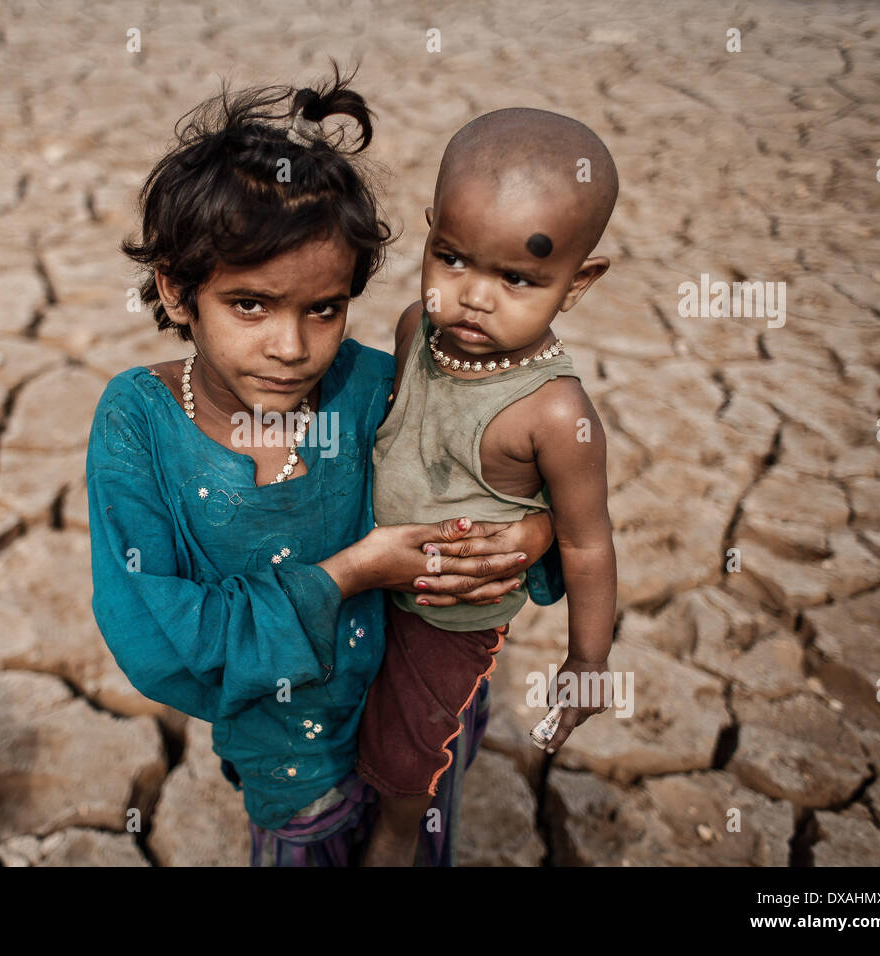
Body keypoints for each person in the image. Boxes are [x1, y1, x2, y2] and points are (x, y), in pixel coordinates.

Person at [87, 65, 564, 867]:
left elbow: (517, 482)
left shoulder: (374, 386)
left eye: (324, 308)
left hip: (414, 724)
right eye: (249, 305)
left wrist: (534, 536)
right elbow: (163, 638)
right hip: (290, 758)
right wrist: (349, 574)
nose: (291, 346)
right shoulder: (140, 423)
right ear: (176, 292)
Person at [355, 108, 621, 866]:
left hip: (451, 615)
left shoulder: (554, 409)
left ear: (577, 283)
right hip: (374, 581)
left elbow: (587, 539)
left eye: (517, 278)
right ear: (432, 232)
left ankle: (397, 836)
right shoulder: (416, 329)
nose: (474, 295)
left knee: (411, 748)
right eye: (454, 258)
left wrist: (588, 661)